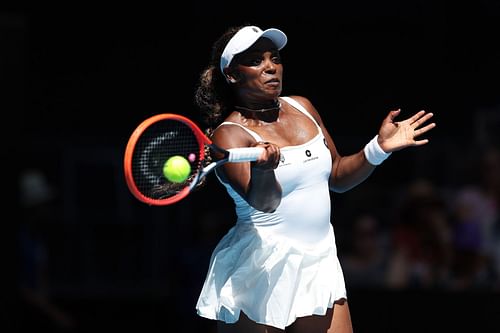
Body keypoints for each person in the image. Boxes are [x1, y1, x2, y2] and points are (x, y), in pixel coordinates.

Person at [193, 24, 436, 333]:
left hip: (318, 260)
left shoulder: (302, 106)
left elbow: (336, 175)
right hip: (258, 268)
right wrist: (265, 169)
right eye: (255, 60)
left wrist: (378, 149)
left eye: (275, 58)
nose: (271, 67)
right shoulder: (229, 135)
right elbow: (264, 203)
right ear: (232, 75)